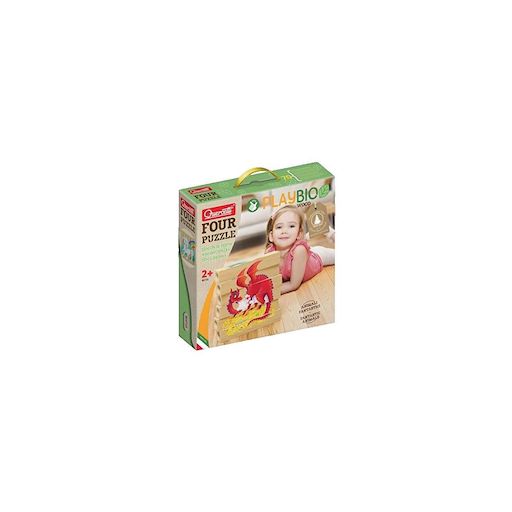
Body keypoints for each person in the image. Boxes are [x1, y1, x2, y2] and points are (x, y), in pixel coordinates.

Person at [264, 205, 335, 294]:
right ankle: (313, 233)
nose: (284, 231)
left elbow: (293, 285)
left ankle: (331, 233)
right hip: (302, 257)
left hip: (317, 257)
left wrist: (269, 292)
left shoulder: (299, 251)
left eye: (291, 226)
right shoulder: (269, 252)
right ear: (271, 236)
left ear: (298, 234)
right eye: (279, 227)